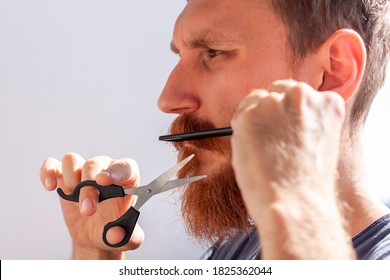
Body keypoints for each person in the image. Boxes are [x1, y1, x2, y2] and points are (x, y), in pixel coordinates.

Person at [40, 0, 390, 260]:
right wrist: (95, 256)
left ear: (334, 71)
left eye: (214, 52)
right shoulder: (241, 247)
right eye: (180, 55)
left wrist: (295, 208)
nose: (168, 99)